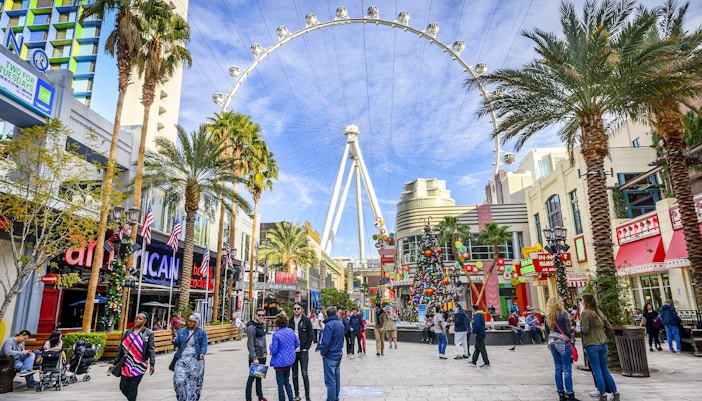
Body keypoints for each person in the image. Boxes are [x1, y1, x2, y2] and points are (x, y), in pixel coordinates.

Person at [581, 294, 619, 401]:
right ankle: (615, 392)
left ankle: (602, 394)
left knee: (597, 370)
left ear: (586, 301)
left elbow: (585, 330)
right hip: (603, 343)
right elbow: (609, 327)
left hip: (592, 344)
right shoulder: (598, 312)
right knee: (605, 369)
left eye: (582, 300)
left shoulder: (585, 313)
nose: (581, 302)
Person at [110, 312, 156, 401]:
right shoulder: (128, 332)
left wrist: (152, 363)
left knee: (133, 387)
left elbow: (151, 349)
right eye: (136, 318)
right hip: (127, 363)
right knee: (123, 387)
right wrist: (114, 362)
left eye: (140, 319)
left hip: (140, 364)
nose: (137, 320)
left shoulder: (148, 333)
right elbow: (121, 349)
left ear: (145, 321)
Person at [546, 296, 579, 401]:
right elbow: (568, 330)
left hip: (552, 343)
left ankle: (561, 393)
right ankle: (570, 393)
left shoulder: (548, 316)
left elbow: (547, 331)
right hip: (563, 343)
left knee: (558, 369)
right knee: (567, 369)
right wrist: (574, 330)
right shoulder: (563, 315)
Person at [173, 313, 208, 401]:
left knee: (192, 383)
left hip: (195, 360)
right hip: (182, 359)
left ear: (197, 322)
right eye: (189, 321)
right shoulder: (182, 331)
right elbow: (177, 343)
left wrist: (202, 353)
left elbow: (204, 345)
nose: (190, 323)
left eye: (192, 321)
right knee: (178, 381)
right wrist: (173, 340)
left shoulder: (201, 332)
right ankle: (182, 398)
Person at [271, 312, 299, 401]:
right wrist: (291, 349)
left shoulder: (276, 334)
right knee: (287, 382)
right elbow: (297, 343)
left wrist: (270, 347)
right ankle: (291, 398)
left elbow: (274, 349)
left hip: (279, 363)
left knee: (280, 384)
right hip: (288, 361)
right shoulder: (291, 331)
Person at [288, 302, 313, 401]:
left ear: (302, 309)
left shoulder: (306, 321)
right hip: (293, 352)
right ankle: (297, 394)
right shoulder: (290, 321)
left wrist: (306, 348)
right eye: (294, 309)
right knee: (294, 374)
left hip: (303, 351)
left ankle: (307, 396)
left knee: (304, 373)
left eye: (298, 308)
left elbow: (311, 335)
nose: (296, 310)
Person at [319, 306, 344, 401]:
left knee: (330, 380)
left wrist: (323, 352)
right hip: (338, 353)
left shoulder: (329, 325)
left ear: (327, 314)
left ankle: (331, 398)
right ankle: (335, 397)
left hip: (330, 355)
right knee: (336, 378)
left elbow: (326, 342)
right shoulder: (339, 324)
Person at [246, 307, 269, 401]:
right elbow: (250, 344)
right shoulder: (252, 327)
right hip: (255, 357)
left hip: (262, 356)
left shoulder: (261, 326)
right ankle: (248, 398)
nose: (261, 317)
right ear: (255, 315)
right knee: (251, 378)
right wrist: (254, 357)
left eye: (262, 315)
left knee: (259, 377)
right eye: (259, 315)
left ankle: (260, 396)